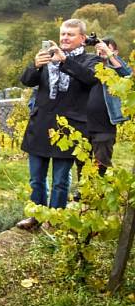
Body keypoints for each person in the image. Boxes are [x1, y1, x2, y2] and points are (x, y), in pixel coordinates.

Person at [16, 19, 101, 230]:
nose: (64, 38)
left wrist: (65, 62)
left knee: (60, 181)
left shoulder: (91, 60)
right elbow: (26, 80)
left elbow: (90, 80)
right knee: (36, 178)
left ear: (82, 38)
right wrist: (35, 65)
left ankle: (55, 220)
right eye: (63, 34)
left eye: (70, 35)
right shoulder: (48, 58)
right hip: (41, 126)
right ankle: (36, 216)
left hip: (69, 129)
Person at [85, 37, 131, 177]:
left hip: (105, 124)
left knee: (102, 161)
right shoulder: (91, 65)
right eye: (99, 49)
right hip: (84, 121)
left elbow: (127, 74)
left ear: (114, 52)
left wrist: (109, 55)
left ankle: (100, 193)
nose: (102, 51)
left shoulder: (117, 69)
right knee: (83, 161)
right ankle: (84, 193)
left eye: (106, 48)